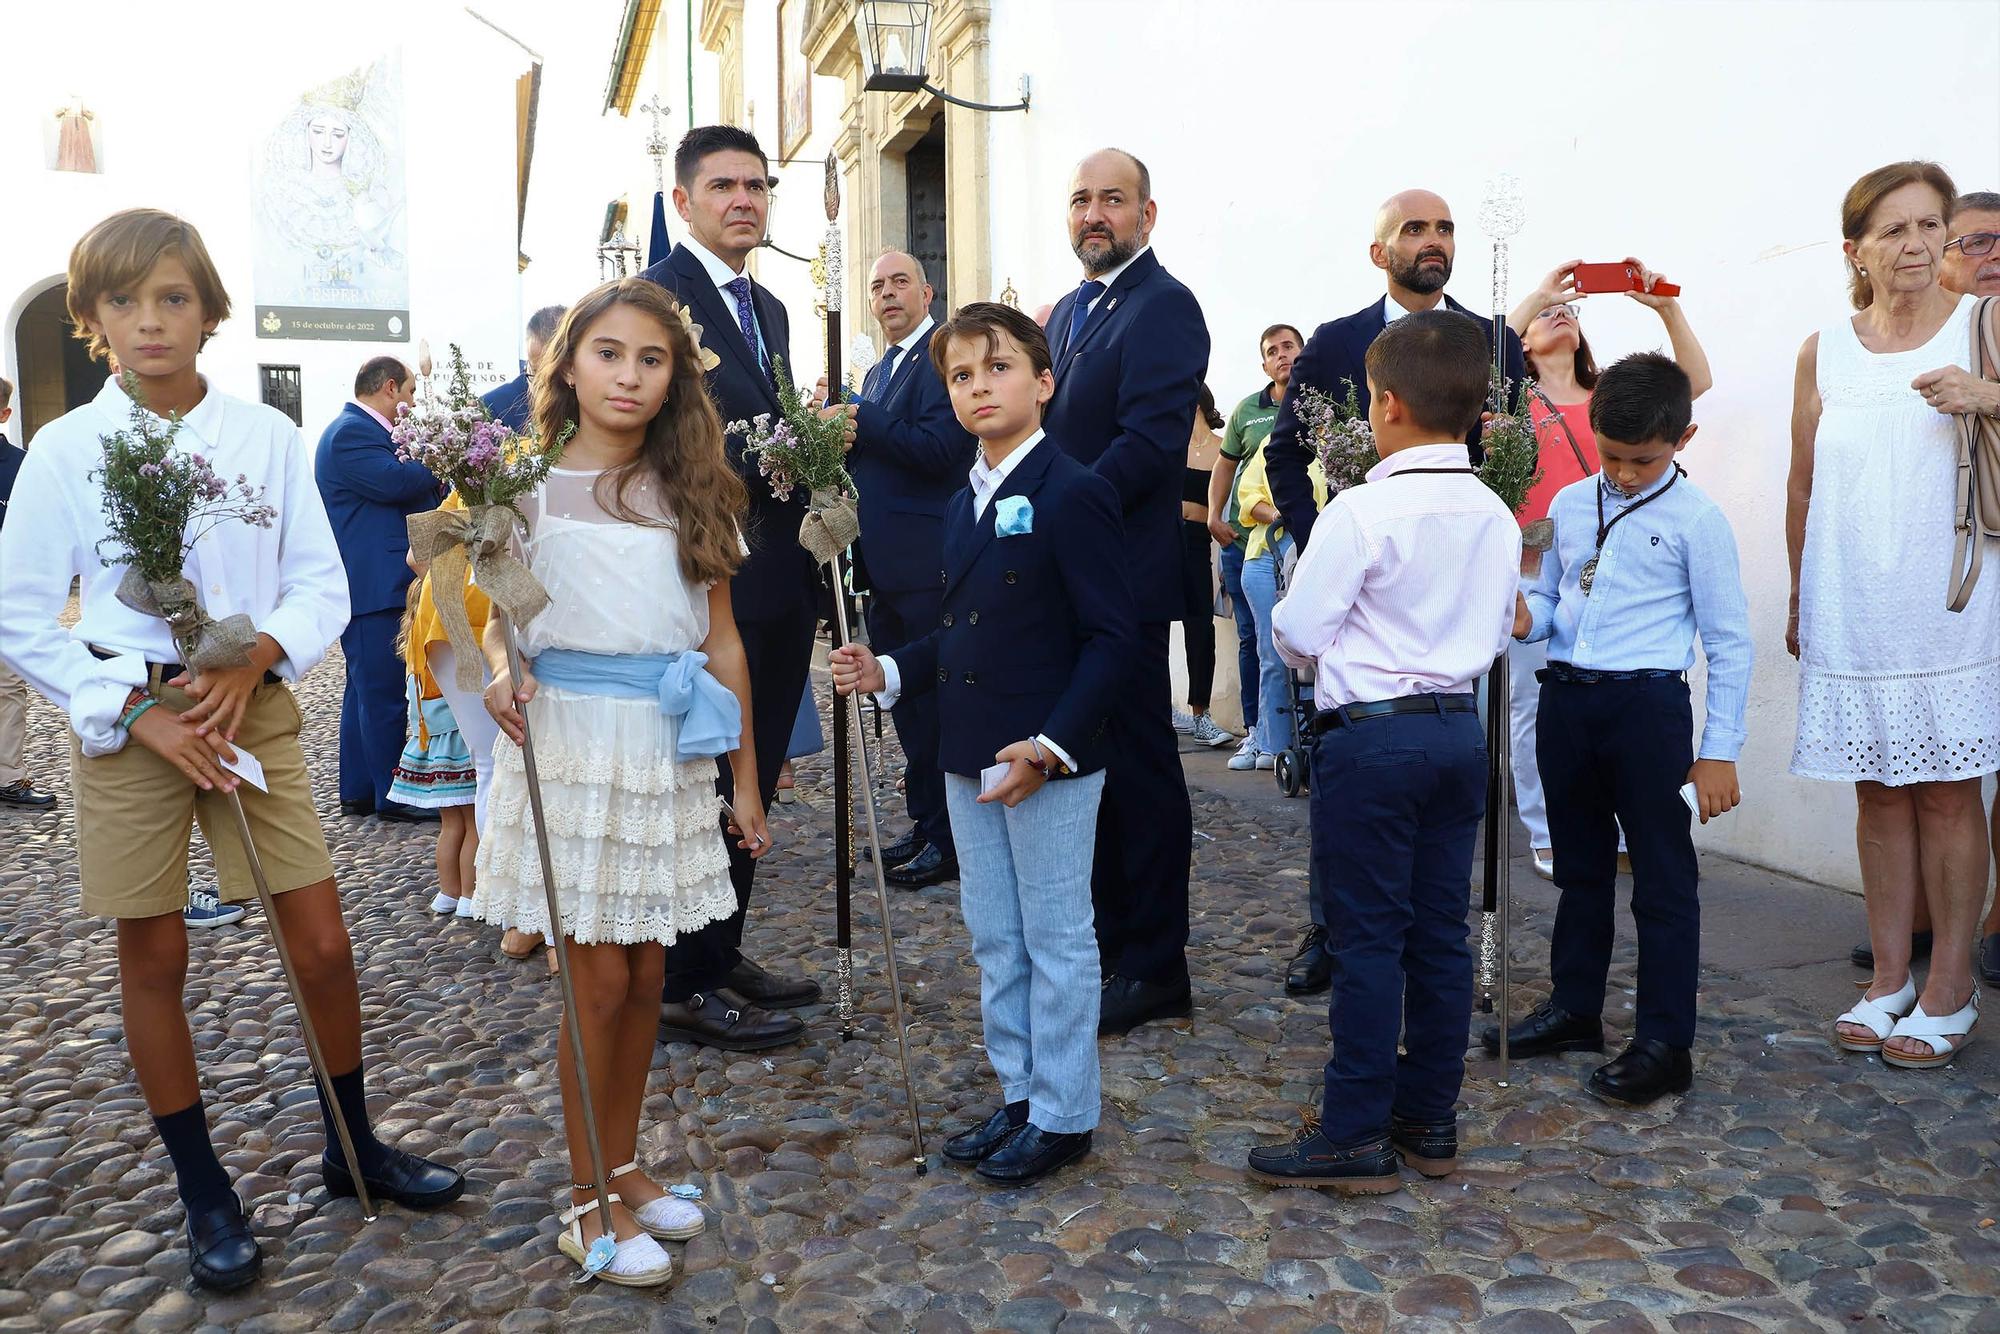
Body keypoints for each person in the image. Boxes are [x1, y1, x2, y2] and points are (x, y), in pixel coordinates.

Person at [0, 207, 462, 1293]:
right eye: (123, 301)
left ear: (209, 311)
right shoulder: (68, 451)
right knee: (154, 956)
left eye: (171, 297)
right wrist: (134, 706)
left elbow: (318, 581)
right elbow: (23, 617)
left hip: (247, 703)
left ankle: (353, 1146)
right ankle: (204, 1187)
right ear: (91, 321)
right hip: (132, 726)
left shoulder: (261, 435)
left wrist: (256, 656)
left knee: (323, 944)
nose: (149, 321)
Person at [473, 277, 766, 1284]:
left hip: (664, 744)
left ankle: (626, 1158)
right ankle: (585, 1196)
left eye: (651, 358)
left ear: (675, 375)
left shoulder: (696, 489)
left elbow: (722, 643)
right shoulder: (521, 485)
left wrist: (748, 780)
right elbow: (497, 618)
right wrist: (505, 669)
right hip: (570, 743)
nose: (629, 375)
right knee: (594, 979)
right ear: (568, 364)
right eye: (609, 353)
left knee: (646, 972)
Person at [831, 302, 1135, 1185]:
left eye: (996, 368)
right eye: (960, 375)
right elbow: (962, 631)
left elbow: (1113, 640)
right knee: (995, 937)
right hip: (968, 755)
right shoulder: (964, 502)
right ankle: (1022, 1093)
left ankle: (1067, 1112)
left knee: (1057, 937)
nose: (977, 387)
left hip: (1044, 760)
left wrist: (1048, 748)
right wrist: (887, 668)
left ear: (1043, 383)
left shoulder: (1075, 490)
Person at [1245, 311, 1519, 1192]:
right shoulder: (1493, 510)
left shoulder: (1362, 510)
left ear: (1388, 405)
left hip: (1374, 736)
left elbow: (1298, 629)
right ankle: (1428, 1115)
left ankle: (1354, 1129)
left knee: (1367, 939)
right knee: (1438, 934)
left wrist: (1301, 635)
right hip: (1457, 730)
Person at [1484, 353, 1750, 1105]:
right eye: (1612, 456)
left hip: (1647, 711)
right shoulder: (1571, 503)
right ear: (1592, 430)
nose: (1626, 474)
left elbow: (1729, 641)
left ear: (1683, 438)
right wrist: (1528, 613)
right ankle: (1575, 1008)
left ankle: (1666, 1041)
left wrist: (1719, 750)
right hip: (1568, 701)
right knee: (1579, 868)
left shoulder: (1698, 520)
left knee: (1663, 879)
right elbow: (1555, 591)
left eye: (1644, 460)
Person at [1796, 163, 2000, 1069]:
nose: (1918, 245)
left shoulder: (1983, 324)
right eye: (1895, 230)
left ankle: (1951, 983)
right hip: (1853, 597)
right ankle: (1888, 977)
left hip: (1951, 598)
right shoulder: (1823, 350)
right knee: (1877, 791)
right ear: (1856, 249)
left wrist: (1987, 394)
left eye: (1931, 226)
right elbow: (1802, 481)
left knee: (1950, 792)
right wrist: (1801, 589)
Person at [638, 125, 831, 1048]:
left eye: (757, 185)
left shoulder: (774, 309)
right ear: (683, 201)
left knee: (758, 772)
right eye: (723, 186)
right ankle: (683, 977)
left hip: (782, 571)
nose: (744, 200)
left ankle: (725, 948)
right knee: (711, 772)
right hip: (709, 574)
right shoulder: (653, 304)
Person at [1043, 147, 1210, 1037]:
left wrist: (1056, 513)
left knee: (1142, 777)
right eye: (1081, 200)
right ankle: (1113, 946)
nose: (1095, 214)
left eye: (1113, 199)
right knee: (1087, 769)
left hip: (1127, 586)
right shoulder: (1072, 310)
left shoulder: (1165, 306)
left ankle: (1155, 965)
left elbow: (1149, 447)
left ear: (1148, 214)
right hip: (1073, 582)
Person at [1503, 259, 1712, 878]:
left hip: (1613, 567)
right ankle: (1546, 830)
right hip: (1536, 569)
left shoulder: (1609, 403)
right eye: (1544, 314)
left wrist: (1666, 307)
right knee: (1530, 706)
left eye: (1565, 308)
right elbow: (1479, 359)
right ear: (1522, 342)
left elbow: (1693, 382)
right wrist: (1535, 295)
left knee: (1613, 699)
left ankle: (1616, 828)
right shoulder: (1512, 400)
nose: (1559, 312)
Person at [1263, 189, 1527, 551]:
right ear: (1379, 254)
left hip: (1468, 556)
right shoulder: (1333, 343)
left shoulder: (1497, 342)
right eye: (1415, 230)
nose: (1435, 241)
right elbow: (1284, 455)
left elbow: (1521, 462)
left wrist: (1509, 448)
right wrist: (1319, 542)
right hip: (1363, 562)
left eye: (1445, 230)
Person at [846, 249, 978, 888]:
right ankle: (928, 823)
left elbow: (940, 450)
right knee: (904, 706)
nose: (888, 295)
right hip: (883, 567)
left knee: (940, 704)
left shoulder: (940, 360)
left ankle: (952, 839)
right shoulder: (877, 372)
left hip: (930, 564)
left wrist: (861, 422)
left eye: (900, 283)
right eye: (877, 287)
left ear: (929, 293)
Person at [314, 355, 441, 822]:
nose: (410, 403)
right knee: (385, 697)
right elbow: (394, 482)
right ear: (389, 388)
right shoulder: (350, 432)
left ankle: (361, 789)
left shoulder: (359, 432)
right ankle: (395, 798)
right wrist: (446, 456)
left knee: (364, 694)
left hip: (377, 583)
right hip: (374, 585)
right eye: (408, 393)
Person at [1937, 190, 2000, 989]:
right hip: (1947, 565)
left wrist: (1984, 394)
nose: (1992, 254)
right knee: (1936, 752)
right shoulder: (1904, 334)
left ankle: (1994, 919)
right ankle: (1926, 915)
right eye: (1976, 240)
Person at [1211, 325, 1300, 771]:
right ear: (1264, 364)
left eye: (1289, 347)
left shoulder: (1320, 411)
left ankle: (1296, 740)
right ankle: (1258, 733)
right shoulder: (1249, 412)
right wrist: (1215, 515)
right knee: (1256, 643)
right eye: (1273, 351)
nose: (1282, 356)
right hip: (1251, 545)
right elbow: (1227, 471)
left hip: (1304, 549)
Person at [1232, 428, 1327, 773]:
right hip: (1266, 553)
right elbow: (1249, 498)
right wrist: (1282, 515)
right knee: (1270, 653)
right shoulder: (1273, 443)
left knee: (1314, 653)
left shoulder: (1338, 444)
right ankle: (1271, 744)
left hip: (1313, 555)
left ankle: (1315, 738)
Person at [388, 579, 478, 919]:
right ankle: (470, 893)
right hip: (456, 745)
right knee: (474, 826)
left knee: (450, 827)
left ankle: (447, 891)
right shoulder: (442, 653)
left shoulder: (414, 661)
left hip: (430, 748)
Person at [0, 374, 53, 811]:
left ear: (4, 414)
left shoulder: (22, 468)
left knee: (7, 688)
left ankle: (8, 777)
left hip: (5, 597)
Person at [1172, 387, 1233, 748]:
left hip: (1198, 541)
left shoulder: (1222, 448)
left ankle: (1201, 715)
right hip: (1162, 537)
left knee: (1199, 626)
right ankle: (1162, 709)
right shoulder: (1167, 445)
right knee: (1153, 623)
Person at [482, 303, 567, 432]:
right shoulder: (493, 406)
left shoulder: (592, 405)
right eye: (537, 374)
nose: (547, 386)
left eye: (556, 375)